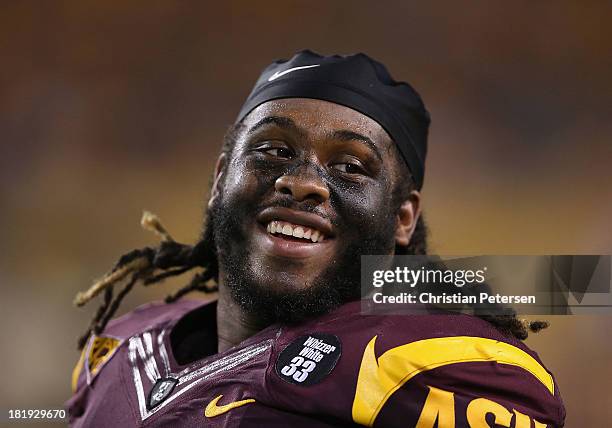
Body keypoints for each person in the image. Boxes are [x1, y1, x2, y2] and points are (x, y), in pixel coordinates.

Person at [66, 50, 565, 427]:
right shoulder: (119, 350)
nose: (301, 181)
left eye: (350, 166)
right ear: (220, 180)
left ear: (402, 218)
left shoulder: (433, 368)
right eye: (273, 150)